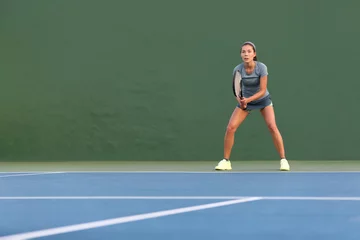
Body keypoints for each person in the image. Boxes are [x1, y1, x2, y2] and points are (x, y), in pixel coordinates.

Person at [215, 41, 290, 171]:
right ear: (241, 55)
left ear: (254, 54)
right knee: (230, 128)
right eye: (243, 52)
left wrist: (248, 100)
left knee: (272, 126)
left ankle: (283, 160)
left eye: (249, 51)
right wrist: (240, 101)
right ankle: (226, 161)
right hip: (246, 102)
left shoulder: (261, 68)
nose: (246, 54)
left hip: (263, 100)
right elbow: (236, 89)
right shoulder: (237, 70)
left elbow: (262, 90)